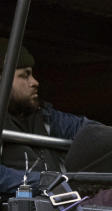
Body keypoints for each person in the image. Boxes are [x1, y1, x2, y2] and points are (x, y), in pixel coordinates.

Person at [0, 39, 94, 196]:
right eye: (25, 75)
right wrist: (50, 183)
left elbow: (93, 132)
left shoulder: (45, 118)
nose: (35, 82)